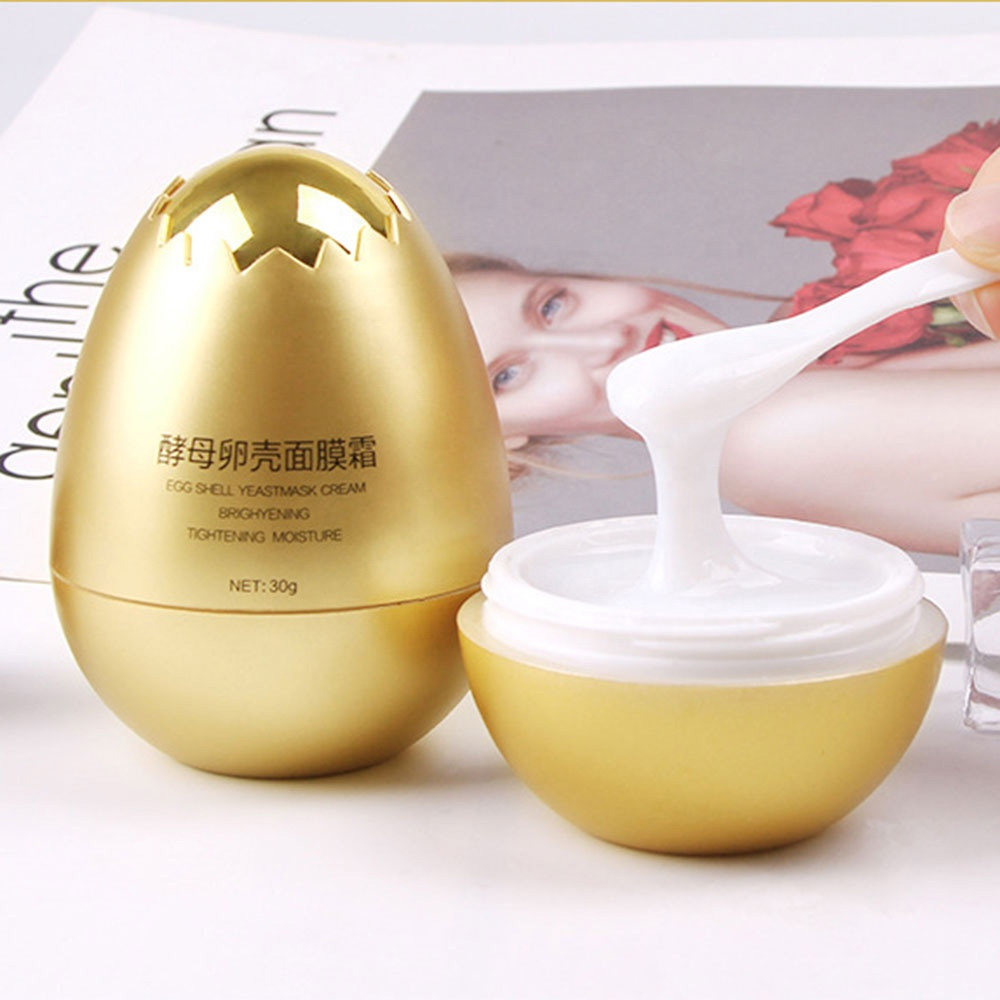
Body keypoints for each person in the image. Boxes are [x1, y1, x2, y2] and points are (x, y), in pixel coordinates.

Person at [450, 148, 1000, 557]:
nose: (605, 341)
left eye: (552, 306)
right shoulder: (765, 441)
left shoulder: (829, 338)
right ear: (503, 441)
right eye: (509, 376)